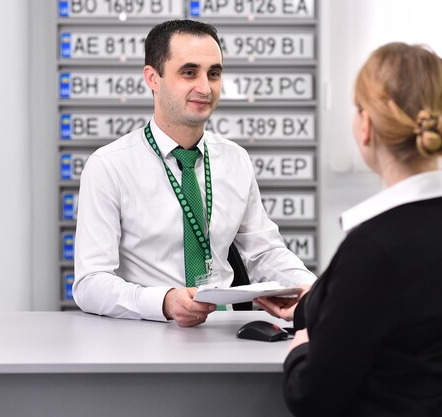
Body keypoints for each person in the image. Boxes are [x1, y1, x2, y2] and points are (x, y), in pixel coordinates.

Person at [255, 42, 442, 417]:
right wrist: (312, 305)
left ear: (365, 126)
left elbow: (312, 399)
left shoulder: (374, 247)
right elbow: (398, 311)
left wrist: (301, 348)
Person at [73, 19, 315, 327]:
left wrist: (315, 291)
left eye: (213, 73)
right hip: (147, 329)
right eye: (189, 72)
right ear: (153, 78)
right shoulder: (109, 166)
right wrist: (165, 301)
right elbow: (90, 283)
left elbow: (264, 252)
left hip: (226, 330)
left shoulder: (235, 159)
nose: (205, 88)